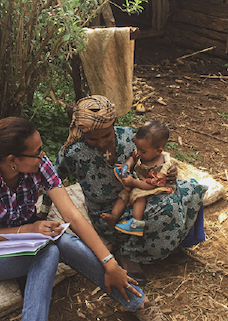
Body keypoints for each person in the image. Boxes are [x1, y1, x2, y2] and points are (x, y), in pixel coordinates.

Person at [0, 117, 165, 321]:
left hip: (28, 241)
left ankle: (140, 303)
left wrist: (110, 263)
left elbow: (71, 214)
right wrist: (27, 230)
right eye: (37, 152)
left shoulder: (39, 164)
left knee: (56, 243)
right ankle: (140, 302)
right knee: (49, 250)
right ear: (12, 160)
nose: (43, 155)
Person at [56, 95, 205, 284]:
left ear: (114, 125)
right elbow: (53, 180)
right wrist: (42, 212)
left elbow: (149, 158)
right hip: (110, 212)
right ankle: (130, 253)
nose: (101, 143)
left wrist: (169, 172)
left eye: (106, 136)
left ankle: (166, 241)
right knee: (167, 206)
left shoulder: (128, 136)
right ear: (82, 133)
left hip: (138, 192)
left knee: (191, 189)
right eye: (93, 139)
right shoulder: (73, 152)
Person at [102, 120, 176, 237]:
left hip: (153, 186)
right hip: (140, 181)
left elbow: (152, 185)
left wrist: (133, 182)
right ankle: (114, 217)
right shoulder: (143, 151)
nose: (139, 152)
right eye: (138, 148)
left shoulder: (159, 166)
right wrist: (126, 166)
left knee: (138, 197)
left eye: (143, 151)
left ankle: (136, 223)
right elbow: (133, 157)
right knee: (123, 195)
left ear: (158, 151)